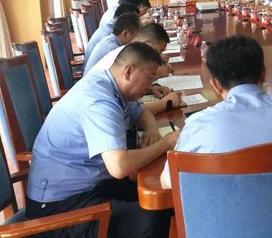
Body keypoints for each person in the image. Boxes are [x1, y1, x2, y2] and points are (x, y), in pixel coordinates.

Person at [26, 42, 179, 238]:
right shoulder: (99, 101)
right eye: (149, 78)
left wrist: (151, 129)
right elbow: (119, 167)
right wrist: (166, 143)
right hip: (58, 206)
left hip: (90, 184)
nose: (150, 86)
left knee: (165, 195)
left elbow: (141, 113)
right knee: (151, 220)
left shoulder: (110, 84)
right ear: (129, 71)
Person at [160, 35, 272, 188]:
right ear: (263, 73)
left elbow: (167, 182)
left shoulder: (197, 124)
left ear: (215, 85)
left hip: (226, 209)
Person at [89, 23, 184, 114]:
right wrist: (165, 103)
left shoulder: (128, 52)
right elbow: (129, 112)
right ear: (146, 44)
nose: (159, 56)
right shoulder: (125, 59)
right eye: (159, 51)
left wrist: (152, 88)